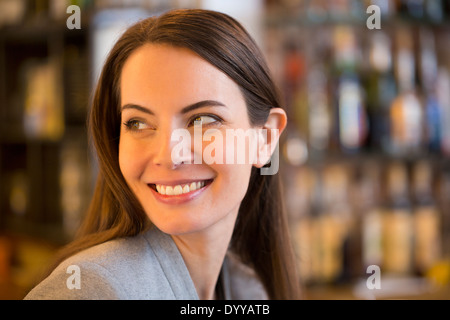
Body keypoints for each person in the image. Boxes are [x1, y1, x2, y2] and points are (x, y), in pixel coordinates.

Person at [24, 8, 301, 300]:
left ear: (265, 138)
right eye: (138, 123)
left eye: (203, 120)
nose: (169, 155)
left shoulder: (250, 289)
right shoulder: (89, 290)